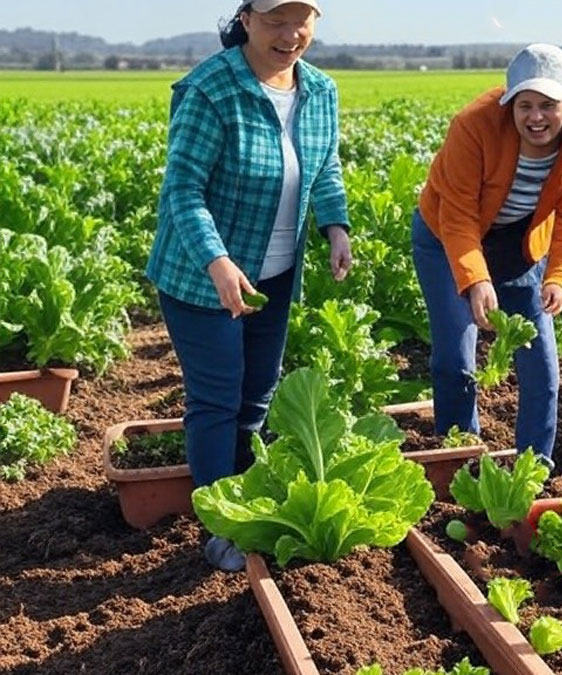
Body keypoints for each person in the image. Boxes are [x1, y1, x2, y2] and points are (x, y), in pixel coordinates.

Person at [145, 0, 351, 571]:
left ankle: (240, 495)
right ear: (246, 20)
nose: (289, 34)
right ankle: (219, 527)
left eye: (300, 19)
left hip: (276, 270)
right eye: (274, 20)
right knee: (217, 398)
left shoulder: (320, 91)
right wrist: (216, 262)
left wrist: (336, 227)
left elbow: (325, 166)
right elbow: (182, 191)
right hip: (201, 275)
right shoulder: (210, 89)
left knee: (257, 394)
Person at [413, 44, 562, 470]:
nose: (536, 117)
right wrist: (475, 279)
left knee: (541, 361)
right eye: (525, 105)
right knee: (456, 355)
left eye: (548, 105)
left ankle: (534, 468)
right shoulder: (473, 126)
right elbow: (458, 214)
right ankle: (460, 459)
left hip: (519, 246)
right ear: (510, 102)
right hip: (445, 235)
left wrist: (559, 278)